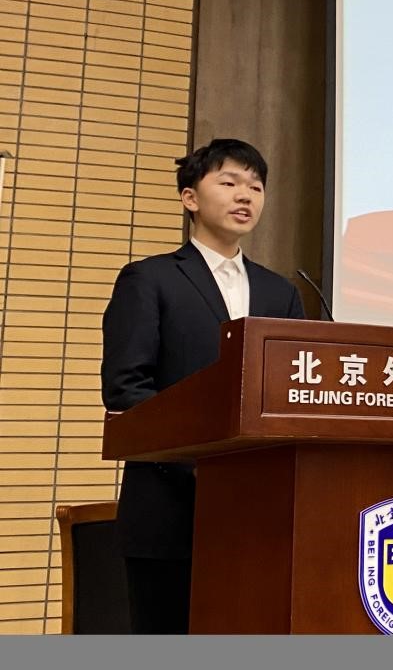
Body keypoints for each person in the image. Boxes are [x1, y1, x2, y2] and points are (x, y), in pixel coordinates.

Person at [101, 139, 307, 634]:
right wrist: (207, 461)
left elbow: (294, 391)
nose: (246, 195)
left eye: (256, 186)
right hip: (170, 511)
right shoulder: (149, 279)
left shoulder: (281, 291)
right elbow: (126, 390)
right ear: (190, 198)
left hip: (261, 515)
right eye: (229, 182)